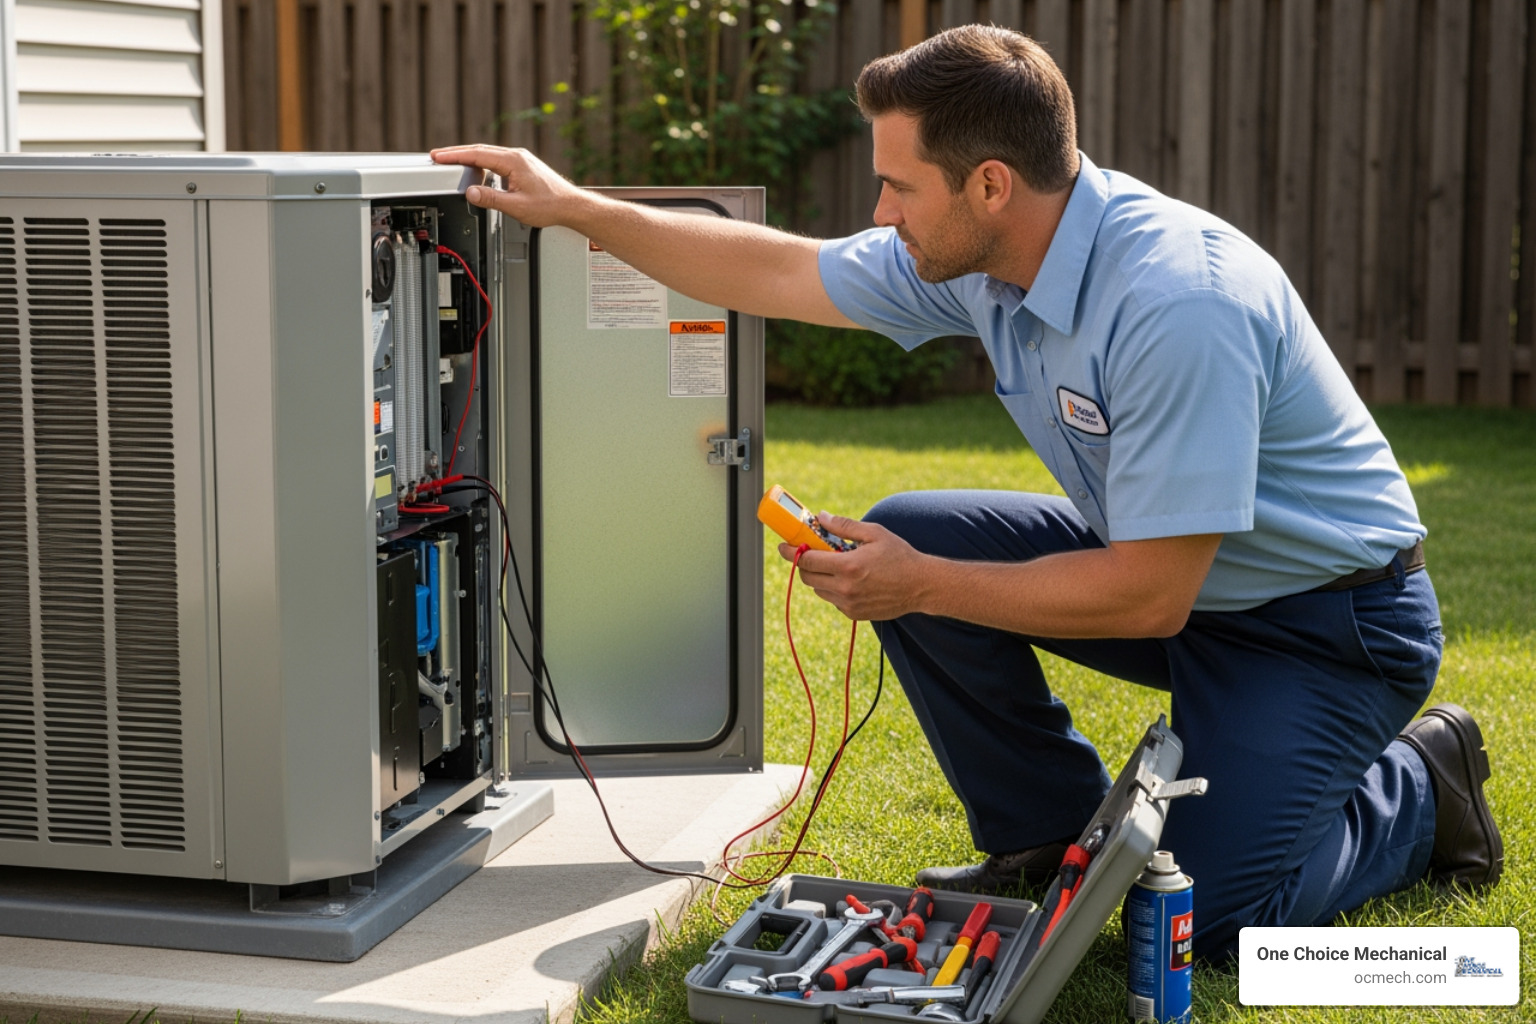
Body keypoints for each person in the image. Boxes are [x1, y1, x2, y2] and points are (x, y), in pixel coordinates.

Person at [432, 24, 1501, 958]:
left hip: (1324, 626)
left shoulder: (1179, 303)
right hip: (1189, 586)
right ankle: (1047, 833)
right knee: (911, 530)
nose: (880, 209)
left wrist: (923, 585)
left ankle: (1421, 783)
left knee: (1205, 925)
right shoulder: (990, 259)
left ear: (990, 185)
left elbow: (1149, 597)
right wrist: (575, 208)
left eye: (899, 186)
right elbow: (779, 271)